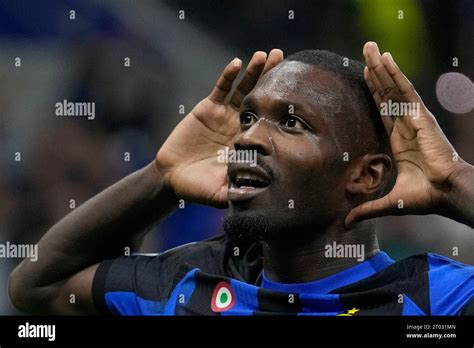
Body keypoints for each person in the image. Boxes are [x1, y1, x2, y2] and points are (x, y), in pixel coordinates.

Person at [8, 42, 474, 315]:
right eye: (248, 118)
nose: (250, 138)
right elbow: (38, 287)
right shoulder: (186, 285)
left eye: (292, 123)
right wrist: (162, 178)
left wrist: (453, 182)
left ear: (365, 175)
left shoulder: (434, 301)